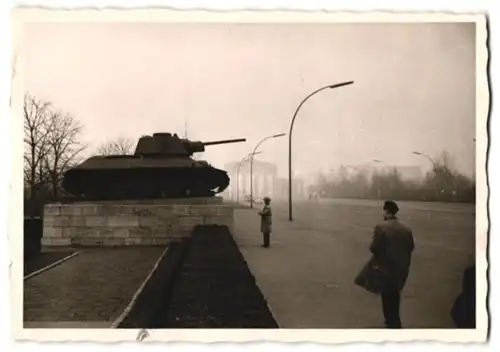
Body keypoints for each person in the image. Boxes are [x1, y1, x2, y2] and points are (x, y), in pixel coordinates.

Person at [370, 200, 415, 328]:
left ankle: (390, 320)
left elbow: (374, 247)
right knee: (395, 293)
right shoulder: (406, 229)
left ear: (386, 211)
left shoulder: (381, 227)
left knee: (386, 295)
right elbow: (411, 246)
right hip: (401, 268)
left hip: (386, 267)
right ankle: (395, 319)